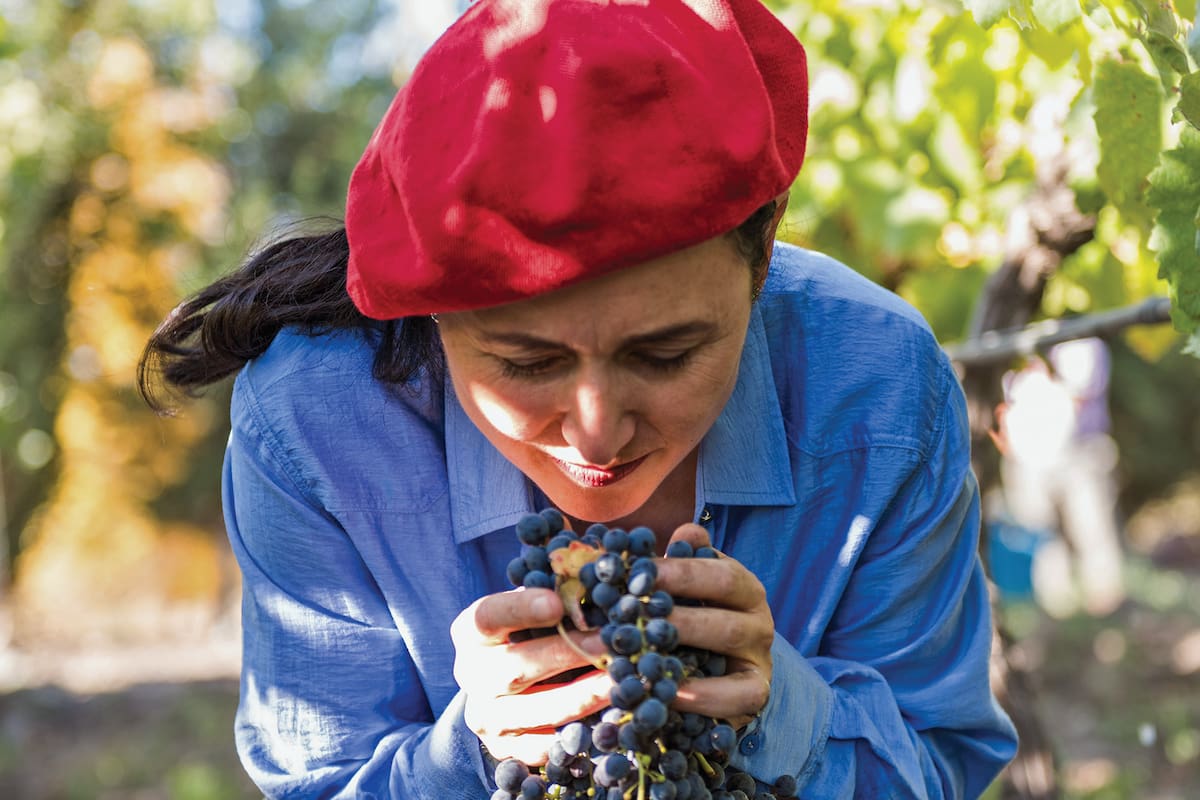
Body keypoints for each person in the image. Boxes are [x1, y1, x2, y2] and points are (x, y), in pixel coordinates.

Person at [140, 0, 1017, 796]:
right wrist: (469, 757)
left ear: (762, 265)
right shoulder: (314, 426)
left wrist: (786, 716)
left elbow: (944, 763)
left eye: (667, 353)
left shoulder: (882, 393)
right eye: (526, 363)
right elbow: (316, 783)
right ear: (433, 319)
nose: (596, 431)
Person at [994, 338, 1125, 617]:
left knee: (1091, 524)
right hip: (1029, 457)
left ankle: (1106, 600)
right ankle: (1056, 603)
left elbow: (1081, 390)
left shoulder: (1080, 343)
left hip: (1080, 450)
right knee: (1041, 532)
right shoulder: (1012, 344)